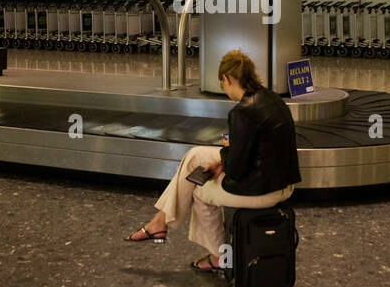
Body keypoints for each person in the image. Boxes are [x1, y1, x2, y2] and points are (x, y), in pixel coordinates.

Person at [125, 49, 301, 273]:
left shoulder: (243, 111)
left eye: (223, 84)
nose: (224, 90)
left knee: (198, 189)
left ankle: (218, 256)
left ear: (227, 79)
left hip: (265, 190)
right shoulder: (270, 98)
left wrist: (226, 153)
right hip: (283, 182)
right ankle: (160, 221)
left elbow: (236, 170)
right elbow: (253, 151)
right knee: (195, 156)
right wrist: (223, 159)